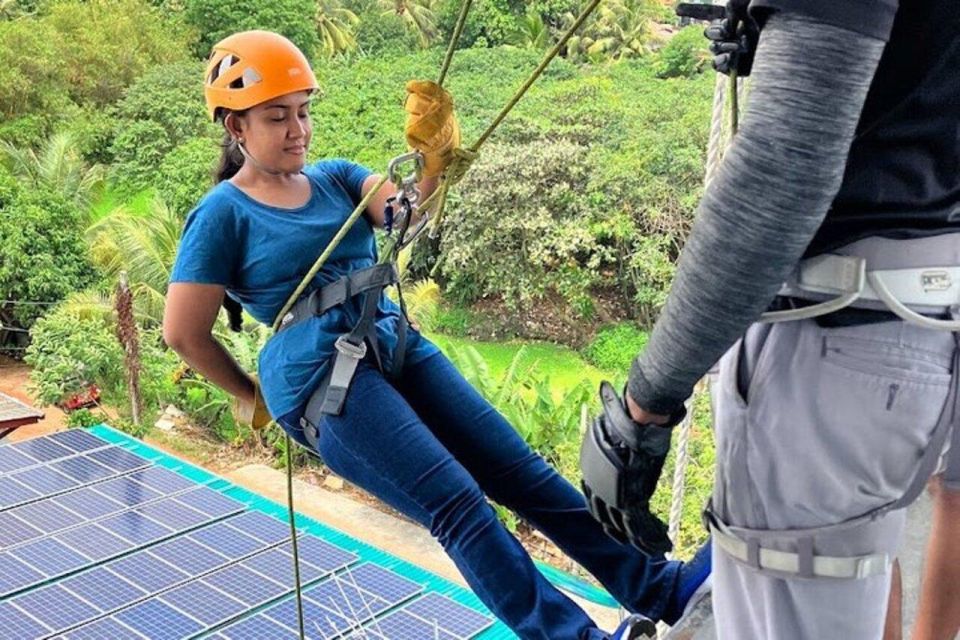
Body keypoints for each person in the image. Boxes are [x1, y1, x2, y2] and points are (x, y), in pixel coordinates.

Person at [162, 30, 709, 640]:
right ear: (237, 129)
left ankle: (660, 586)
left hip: (391, 342)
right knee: (459, 506)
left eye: (303, 112)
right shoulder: (222, 214)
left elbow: (410, 212)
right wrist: (248, 393)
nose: (298, 130)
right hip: (323, 383)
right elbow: (184, 332)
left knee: (517, 469)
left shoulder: (339, 179)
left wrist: (433, 160)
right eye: (276, 117)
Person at [581, 0, 959, 638]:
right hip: (926, 304)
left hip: (839, 329)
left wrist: (646, 402)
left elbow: (784, 164)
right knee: (867, 556)